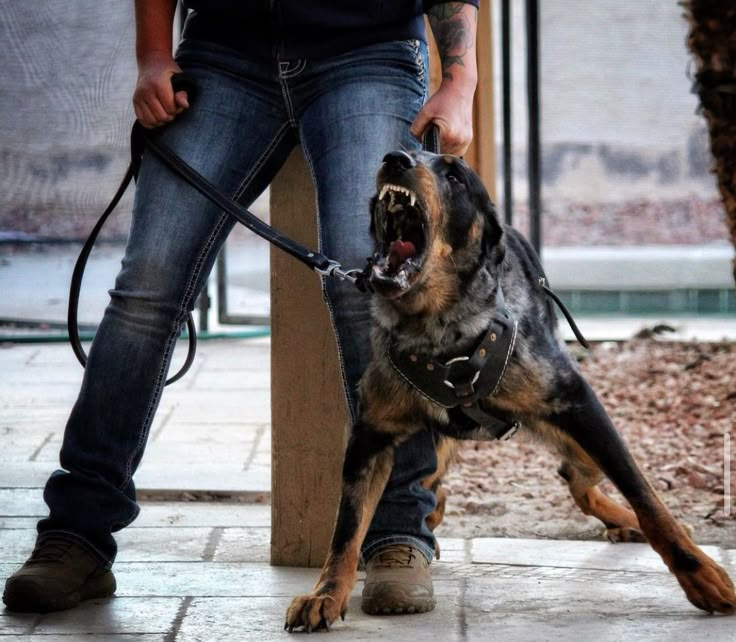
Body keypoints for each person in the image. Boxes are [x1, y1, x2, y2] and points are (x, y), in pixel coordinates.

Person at [3, 0, 479, 615]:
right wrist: (153, 57)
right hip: (223, 56)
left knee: (370, 284)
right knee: (149, 283)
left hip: (371, 55)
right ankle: (77, 534)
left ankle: (397, 534)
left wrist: (459, 79)